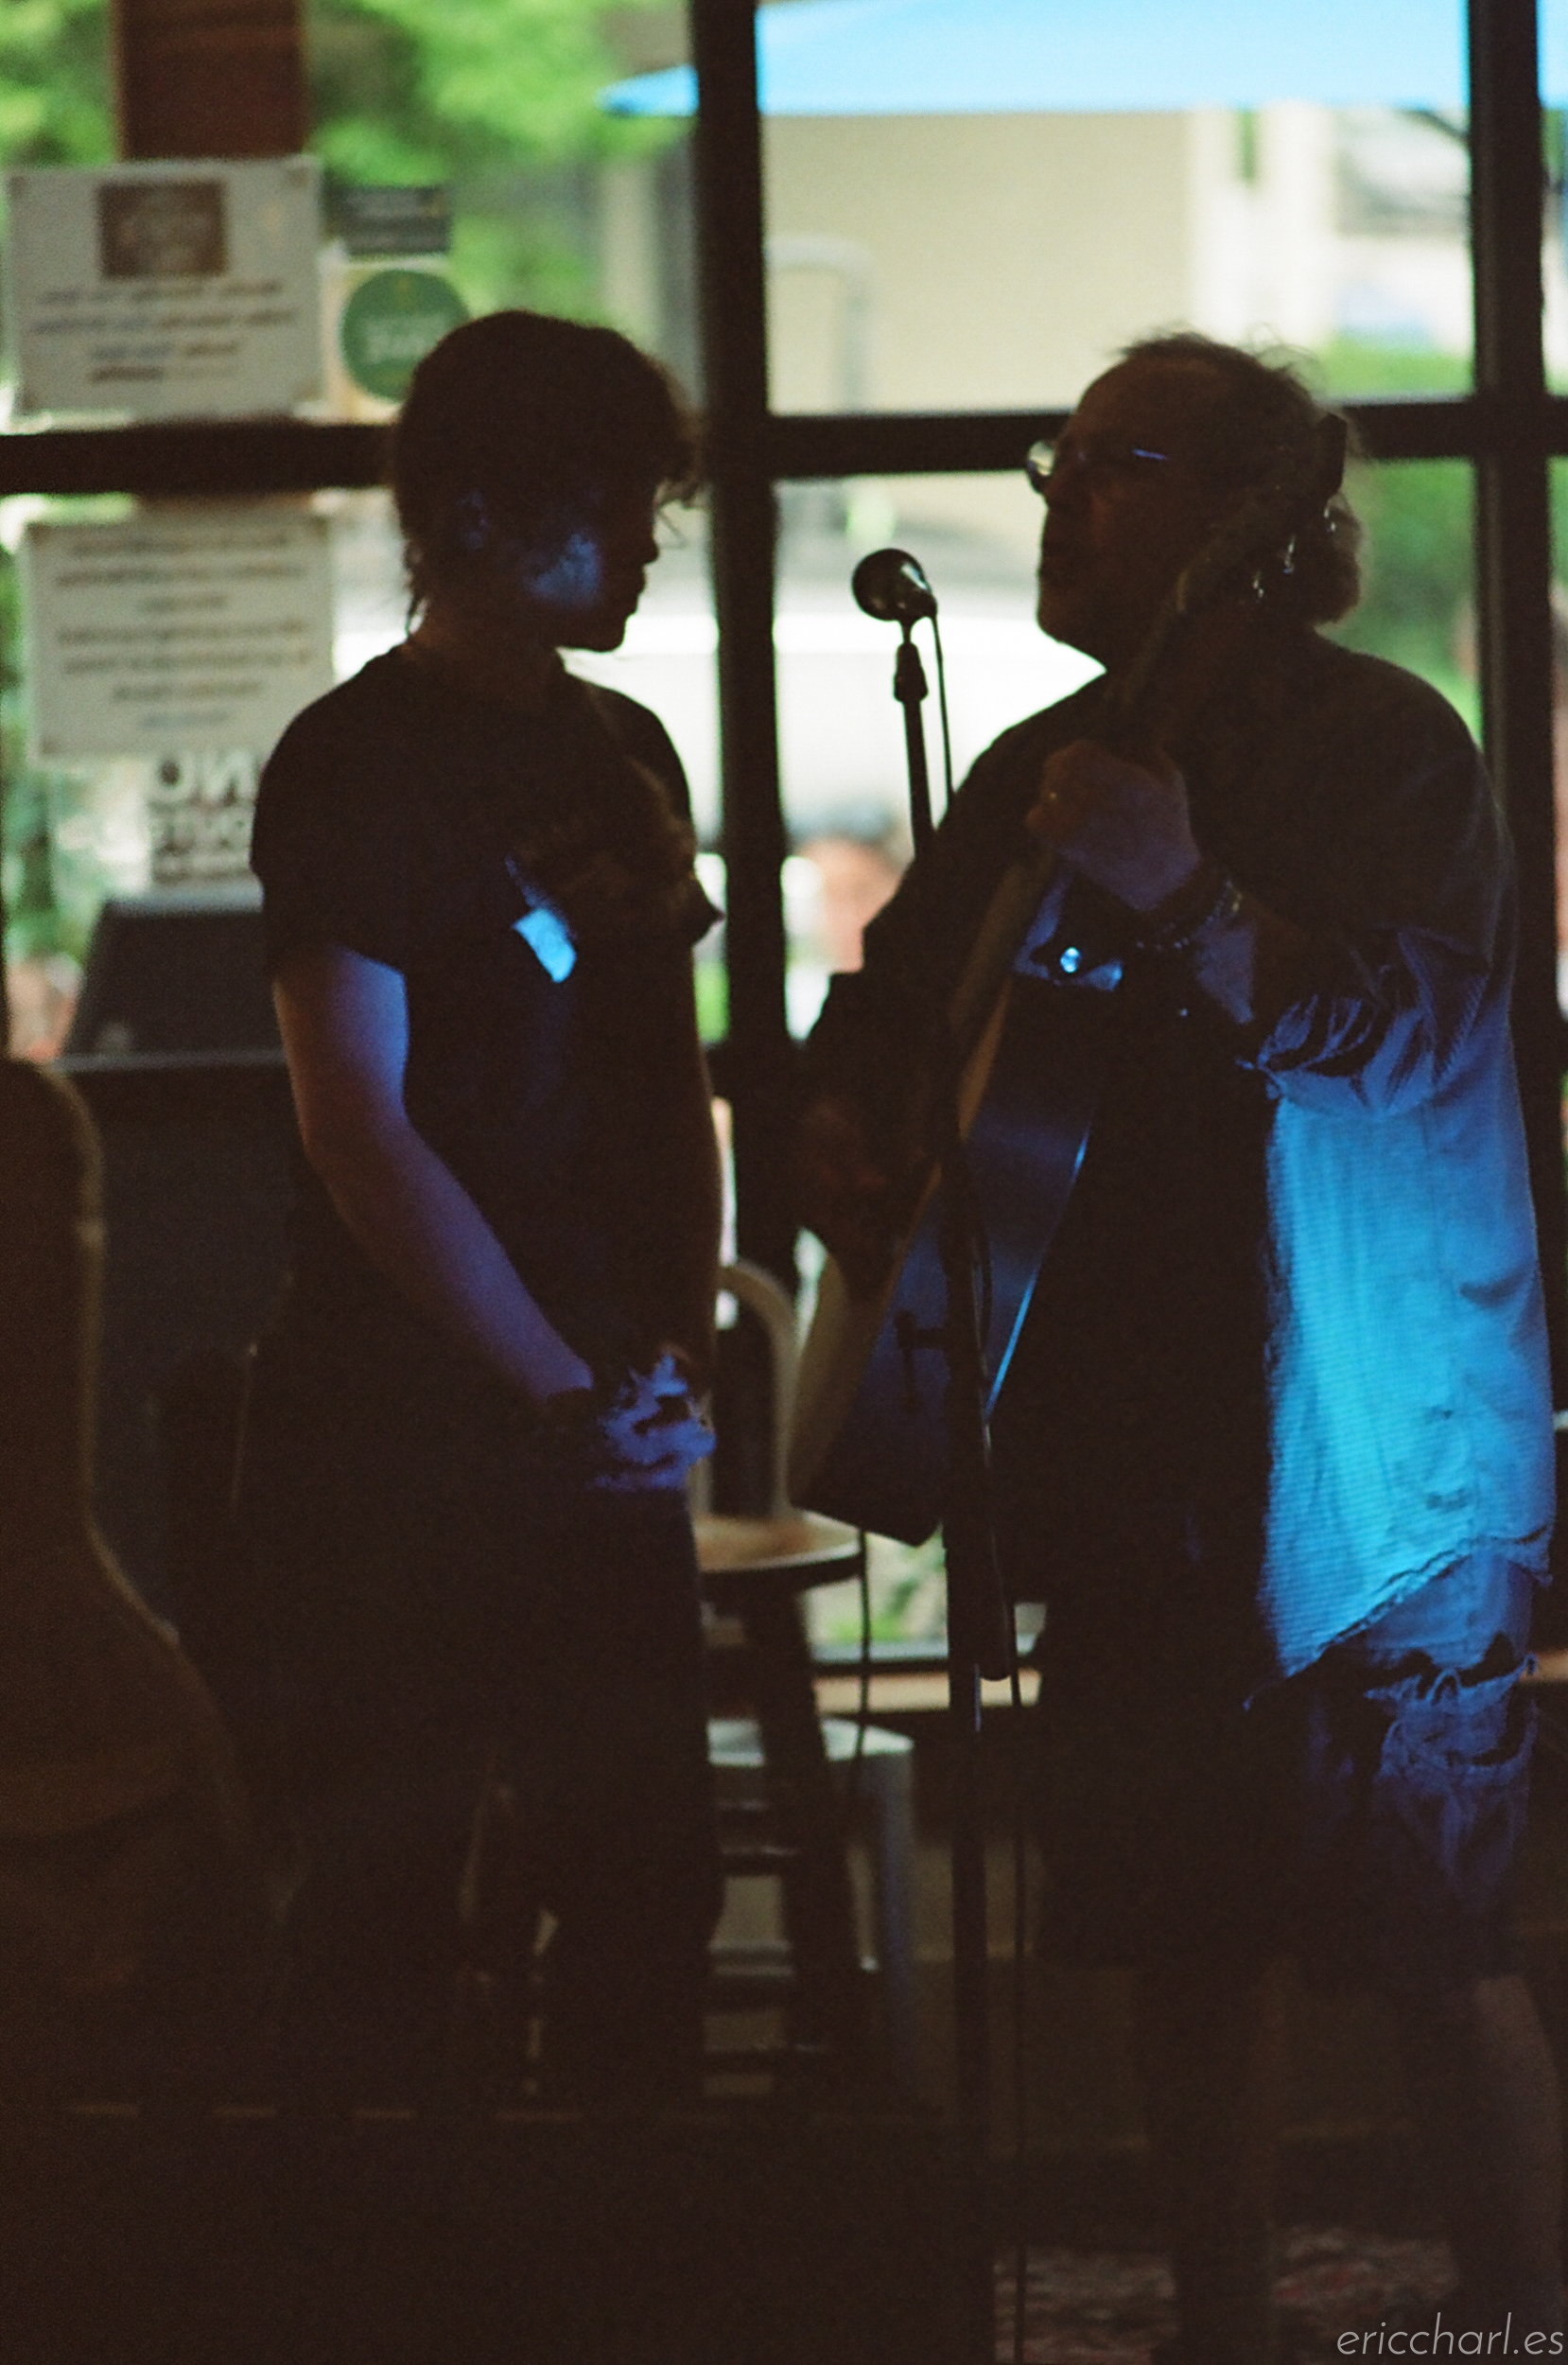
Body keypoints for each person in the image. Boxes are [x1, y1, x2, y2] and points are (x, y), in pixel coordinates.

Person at [797, 333, 1561, 2360]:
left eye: (1114, 464)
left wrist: (1189, 895)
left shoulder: (1388, 744)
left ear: (1250, 518)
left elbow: (1406, 1029)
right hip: (1134, 1446)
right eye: (1057, 462)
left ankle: (1511, 2325)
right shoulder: (1035, 764)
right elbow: (887, 1003)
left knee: (1430, 1934)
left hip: (1367, 1456)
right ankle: (1220, 2327)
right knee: (1178, 1933)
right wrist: (841, 1110)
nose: (1062, 500)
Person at [245, 309, 723, 2108]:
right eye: (616, 503)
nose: (649, 541)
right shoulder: (353, 760)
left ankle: (614, 2241)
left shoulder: (629, 749)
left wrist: (670, 1345)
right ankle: (377, 2248)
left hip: (593, 1389)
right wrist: (565, 1388)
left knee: (646, 1886)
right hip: (401, 1415)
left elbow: (663, 1075)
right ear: (477, 515)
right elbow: (356, 1123)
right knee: (380, 1904)